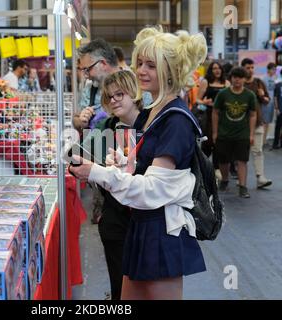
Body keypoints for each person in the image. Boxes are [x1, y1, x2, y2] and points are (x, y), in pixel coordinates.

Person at [70, 26, 207, 300]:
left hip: (162, 231)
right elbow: (143, 170)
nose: (141, 71)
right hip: (142, 226)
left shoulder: (175, 119)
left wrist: (97, 171)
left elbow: (153, 190)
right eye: (140, 63)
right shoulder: (156, 112)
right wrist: (120, 164)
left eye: (151, 65)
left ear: (170, 69)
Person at [91, 70, 147, 300]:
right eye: (109, 96)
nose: (113, 100)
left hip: (148, 221)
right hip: (115, 219)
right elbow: (75, 159)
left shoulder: (153, 125)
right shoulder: (106, 125)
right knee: (120, 288)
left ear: (134, 93)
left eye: (119, 94)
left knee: (147, 287)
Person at [73, 39, 121, 224]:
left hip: (128, 173)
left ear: (103, 64)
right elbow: (77, 121)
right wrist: (82, 119)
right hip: (99, 170)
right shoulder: (91, 89)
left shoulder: (134, 84)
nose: (85, 75)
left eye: (88, 69)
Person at [213, 67, 257, 198]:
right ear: (231, 78)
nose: (237, 80)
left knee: (242, 160)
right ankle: (225, 180)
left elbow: (253, 114)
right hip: (224, 133)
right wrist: (215, 132)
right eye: (235, 77)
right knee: (223, 160)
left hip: (242, 134)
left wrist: (251, 134)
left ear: (244, 79)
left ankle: (243, 187)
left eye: (240, 77)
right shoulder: (223, 94)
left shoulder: (249, 95)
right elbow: (215, 112)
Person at [241, 58, 272, 189]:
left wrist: (262, 95)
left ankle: (260, 177)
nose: (250, 70)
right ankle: (241, 180)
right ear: (243, 68)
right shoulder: (239, 83)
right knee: (241, 153)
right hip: (241, 124)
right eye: (248, 67)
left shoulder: (259, 82)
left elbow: (266, 101)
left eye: (252, 67)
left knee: (258, 151)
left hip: (258, 122)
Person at [262, 62, 277, 145]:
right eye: (273, 69)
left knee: (268, 122)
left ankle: (265, 140)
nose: (274, 71)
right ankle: (262, 141)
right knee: (264, 122)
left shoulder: (274, 79)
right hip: (266, 103)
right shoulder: (264, 79)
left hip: (271, 104)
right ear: (268, 69)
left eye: (275, 69)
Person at [272, 68, 282, 150]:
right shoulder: (278, 85)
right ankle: (275, 144)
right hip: (280, 109)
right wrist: (277, 108)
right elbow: (275, 97)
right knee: (278, 127)